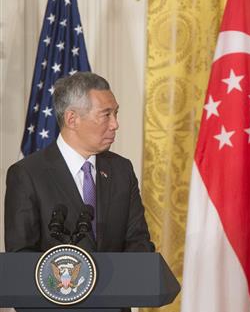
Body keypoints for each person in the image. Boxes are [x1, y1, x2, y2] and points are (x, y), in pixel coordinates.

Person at [5, 72, 154, 253]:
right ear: (72, 119)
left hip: (120, 281)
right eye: (106, 114)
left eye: (115, 113)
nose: (115, 124)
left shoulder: (121, 170)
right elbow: (21, 256)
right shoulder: (27, 174)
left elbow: (138, 242)